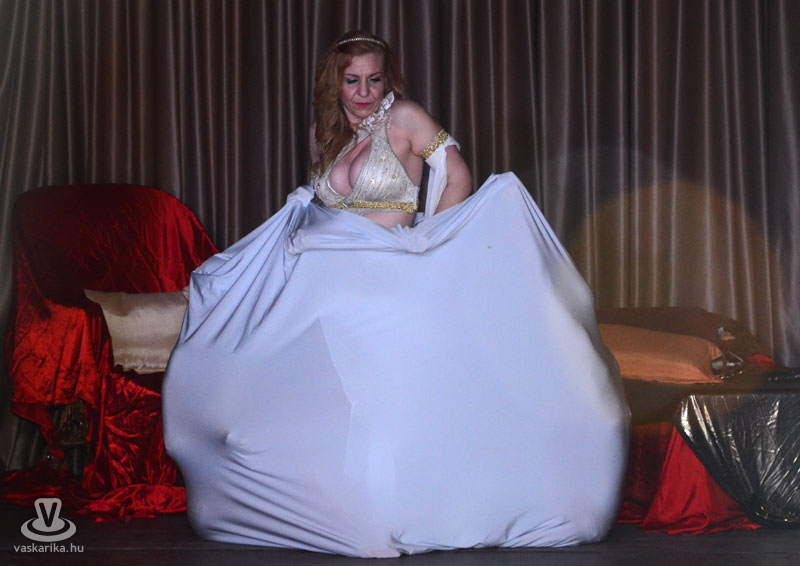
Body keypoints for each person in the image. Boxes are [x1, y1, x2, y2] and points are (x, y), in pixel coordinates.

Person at [163, 30, 630, 558]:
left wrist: (432, 242)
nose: (364, 92)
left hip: (387, 270)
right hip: (329, 279)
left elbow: (456, 175)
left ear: (387, 81)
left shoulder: (404, 118)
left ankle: (403, 508)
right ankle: (326, 503)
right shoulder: (325, 134)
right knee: (295, 377)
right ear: (335, 83)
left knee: (382, 397)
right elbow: (326, 210)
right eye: (352, 81)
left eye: (374, 79)